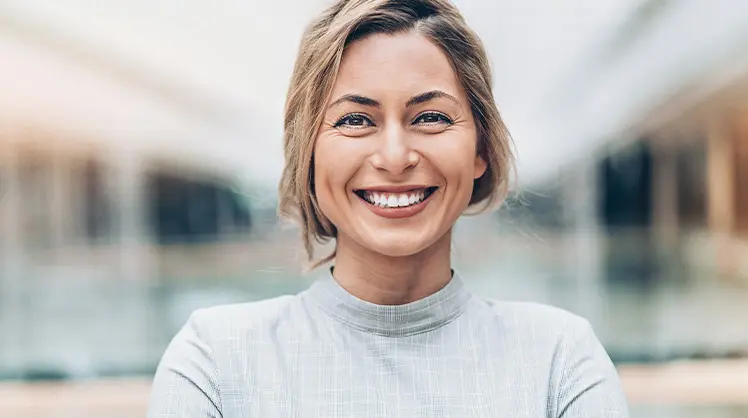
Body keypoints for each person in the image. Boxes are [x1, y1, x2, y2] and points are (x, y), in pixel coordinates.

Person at [147, 0, 630, 416]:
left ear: (481, 148)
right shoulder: (214, 361)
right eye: (356, 120)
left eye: (431, 117)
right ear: (308, 152)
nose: (395, 157)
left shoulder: (559, 361)